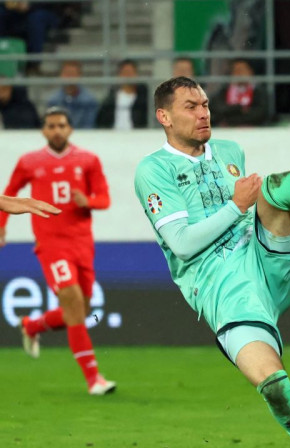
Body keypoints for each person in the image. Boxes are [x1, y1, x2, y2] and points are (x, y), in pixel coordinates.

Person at [133, 76, 290, 447]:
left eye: (206, 105)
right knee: (274, 386)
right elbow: (181, 244)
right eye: (191, 107)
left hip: (266, 259)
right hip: (224, 289)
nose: (203, 114)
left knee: (273, 192)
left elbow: (253, 204)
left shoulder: (229, 150)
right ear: (163, 116)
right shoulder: (154, 170)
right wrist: (236, 206)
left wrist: (246, 205)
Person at [0, 107, 114, 395]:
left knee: (81, 309)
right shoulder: (29, 161)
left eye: (61, 125)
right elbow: (10, 194)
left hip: (82, 243)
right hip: (51, 244)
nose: (56, 130)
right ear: (43, 131)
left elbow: (104, 200)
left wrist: (85, 200)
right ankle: (94, 379)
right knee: (74, 302)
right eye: (50, 126)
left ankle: (33, 326)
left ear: (70, 129)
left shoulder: (88, 160)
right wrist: (2, 226)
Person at [209, 58, 269, 127]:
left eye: (242, 70)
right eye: (236, 71)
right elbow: (216, 110)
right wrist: (240, 109)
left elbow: (260, 114)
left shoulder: (259, 92)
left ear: (251, 72)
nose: (240, 74)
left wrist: (232, 116)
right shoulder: (223, 92)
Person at [96, 59, 148, 129]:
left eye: (131, 72)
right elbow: (102, 121)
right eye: (125, 72)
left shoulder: (144, 99)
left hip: (137, 136)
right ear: (119, 75)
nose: (128, 76)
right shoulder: (110, 99)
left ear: (136, 74)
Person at [46, 61, 99, 129]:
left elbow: (89, 126)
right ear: (61, 75)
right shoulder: (53, 101)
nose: (70, 77)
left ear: (79, 75)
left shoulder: (90, 101)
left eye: (73, 74)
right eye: (67, 74)